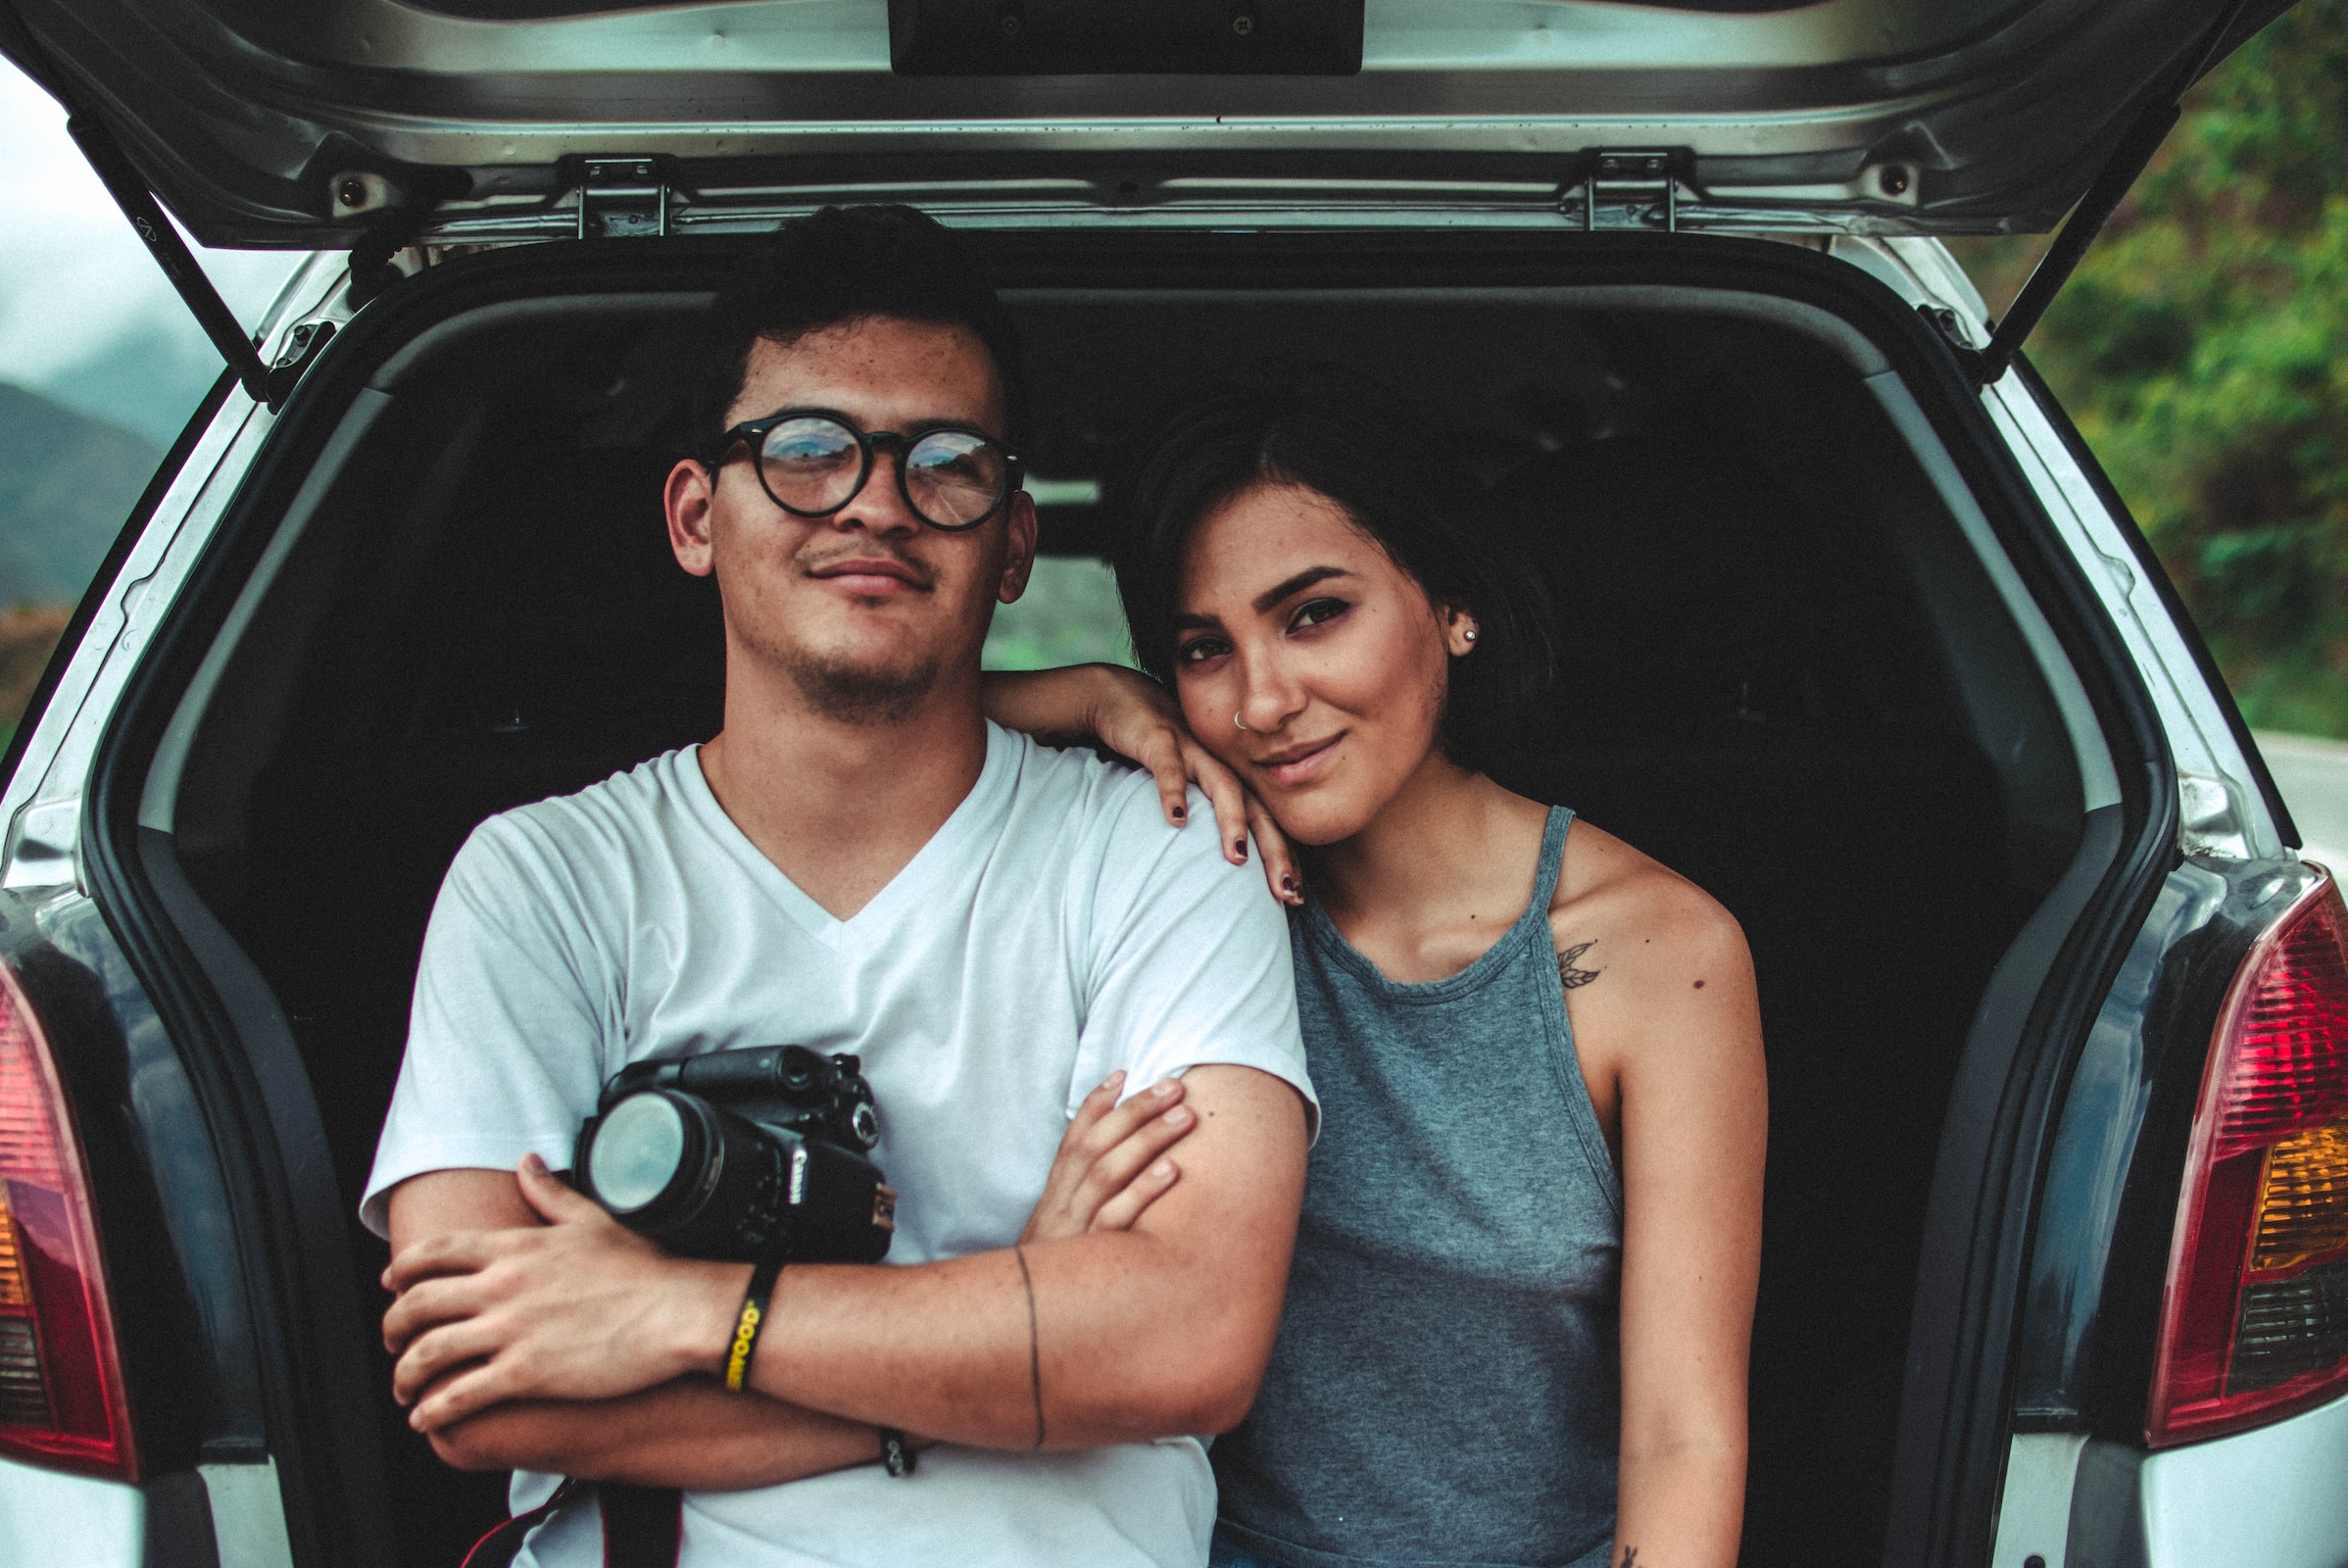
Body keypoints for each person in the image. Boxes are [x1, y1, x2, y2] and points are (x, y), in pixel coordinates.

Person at [359, 205, 1317, 1568]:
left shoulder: (1161, 846)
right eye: (808, 450)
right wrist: (1020, 1328)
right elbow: (481, 1386)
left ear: (1017, 540)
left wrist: (689, 1315)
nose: (877, 498)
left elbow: (1187, 1339)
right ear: (697, 515)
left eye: (947, 461)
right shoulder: (546, 880)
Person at [983, 361, 1767, 1568]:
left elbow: (1682, 1440)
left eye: (1314, 615)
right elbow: (834, 731)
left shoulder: (1659, 952)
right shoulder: (1176, 880)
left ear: (1451, 603)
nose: (1262, 698)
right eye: (1202, 648)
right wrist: (1094, 694)